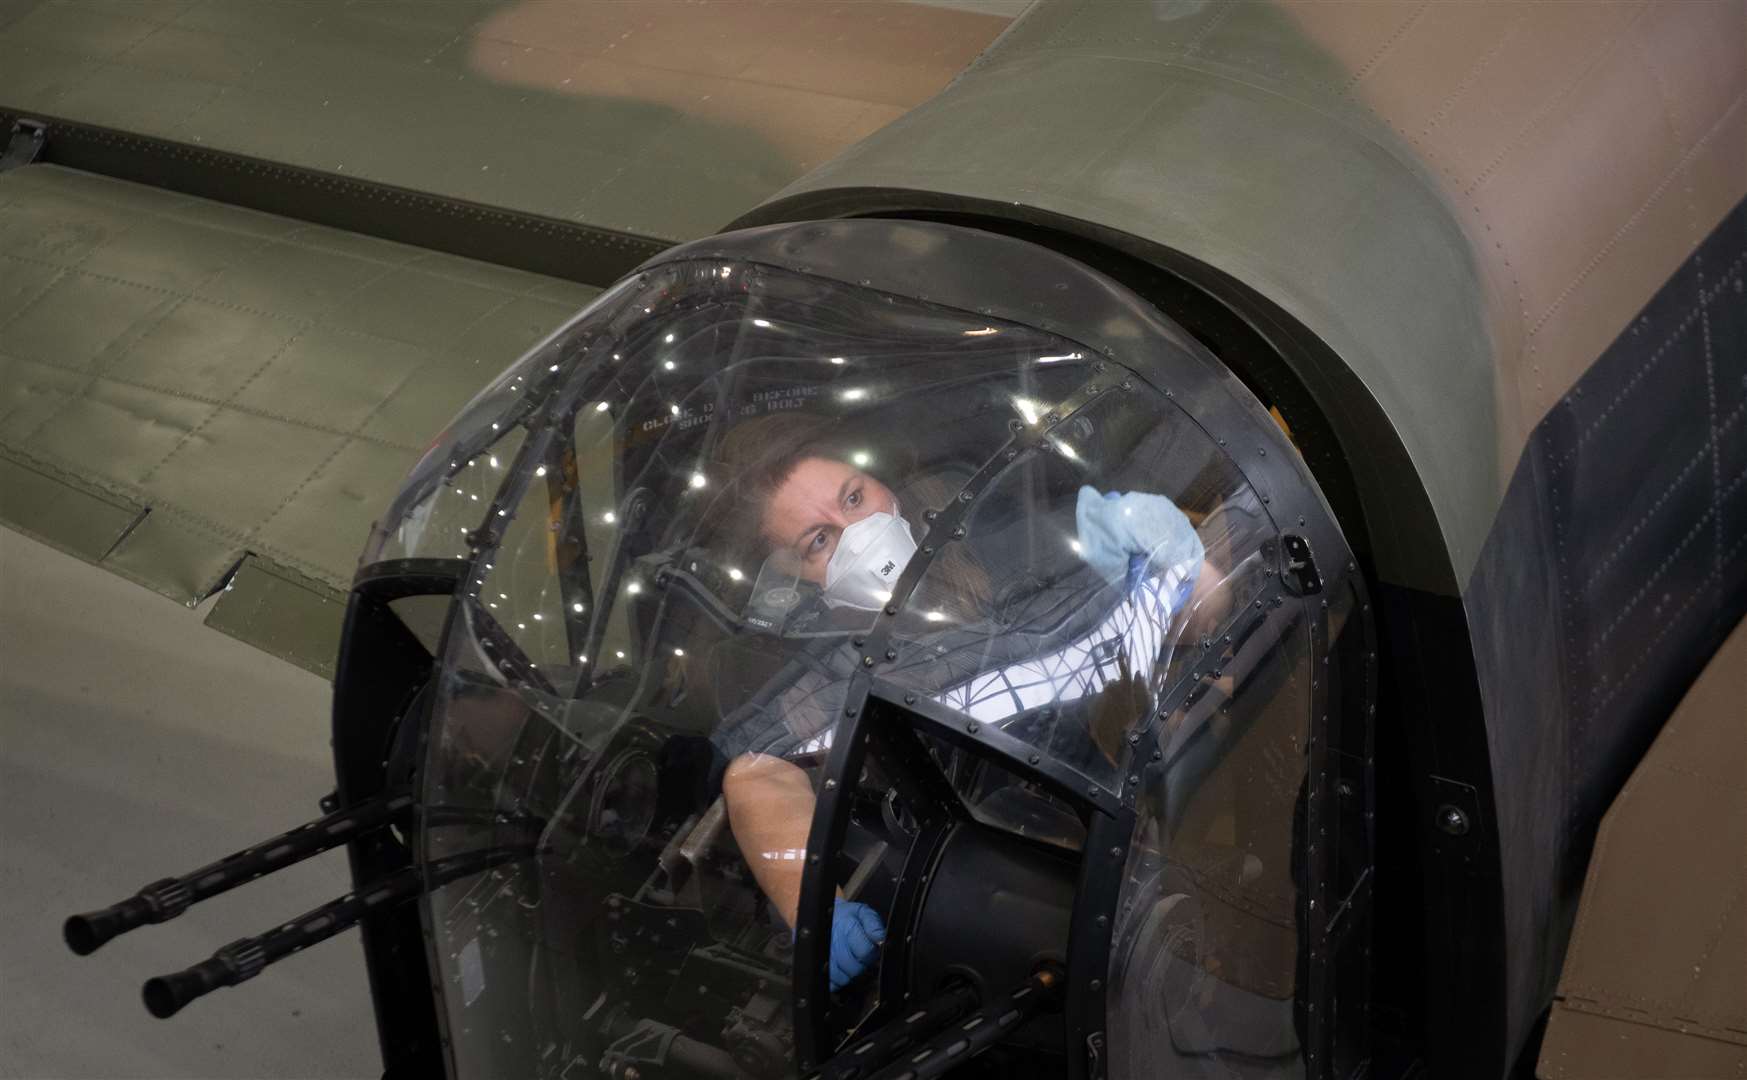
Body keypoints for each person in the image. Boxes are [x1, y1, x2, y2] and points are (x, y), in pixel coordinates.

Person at [705, 415, 1219, 993]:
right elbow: (755, 775)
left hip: (1184, 811)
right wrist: (813, 912)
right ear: (792, 577)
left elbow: (1195, 613)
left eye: (854, 496)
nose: (860, 532)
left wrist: (1188, 569)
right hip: (1062, 897)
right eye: (820, 541)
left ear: (884, 482)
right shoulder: (832, 671)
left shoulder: (1028, 541)